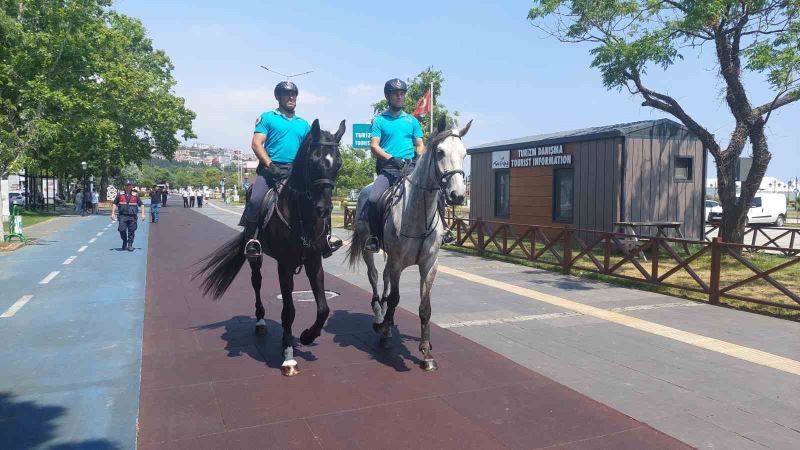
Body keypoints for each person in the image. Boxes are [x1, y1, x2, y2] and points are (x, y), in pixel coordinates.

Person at [244, 81, 342, 259]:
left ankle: (325, 238)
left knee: (319, 199)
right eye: (286, 94)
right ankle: (252, 239)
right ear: (278, 97)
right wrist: (270, 165)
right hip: (270, 170)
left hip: (295, 172)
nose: (291, 97)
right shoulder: (268, 117)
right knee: (256, 198)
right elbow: (256, 144)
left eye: (294, 94)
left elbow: (309, 151)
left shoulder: (303, 125)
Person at [111, 180, 145, 251]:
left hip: (132, 216)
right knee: (121, 230)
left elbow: (141, 204)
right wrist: (113, 213)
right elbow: (114, 203)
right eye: (126, 185)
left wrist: (143, 214)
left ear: (132, 186)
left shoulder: (135, 195)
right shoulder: (120, 194)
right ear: (124, 186)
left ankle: (130, 245)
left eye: (129, 185)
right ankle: (124, 241)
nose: (128, 187)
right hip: (122, 216)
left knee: (131, 231)